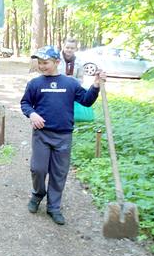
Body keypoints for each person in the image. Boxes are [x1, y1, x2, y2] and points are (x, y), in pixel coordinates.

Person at [20, 46, 105, 225]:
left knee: (59, 173)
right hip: (42, 135)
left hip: (63, 136)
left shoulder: (70, 83)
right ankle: (37, 194)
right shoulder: (35, 84)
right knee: (38, 169)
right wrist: (32, 114)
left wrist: (96, 85)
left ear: (57, 62)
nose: (42, 66)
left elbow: (86, 101)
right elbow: (26, 103)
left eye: (46, 63)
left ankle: (54, 207)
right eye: (40, 63)